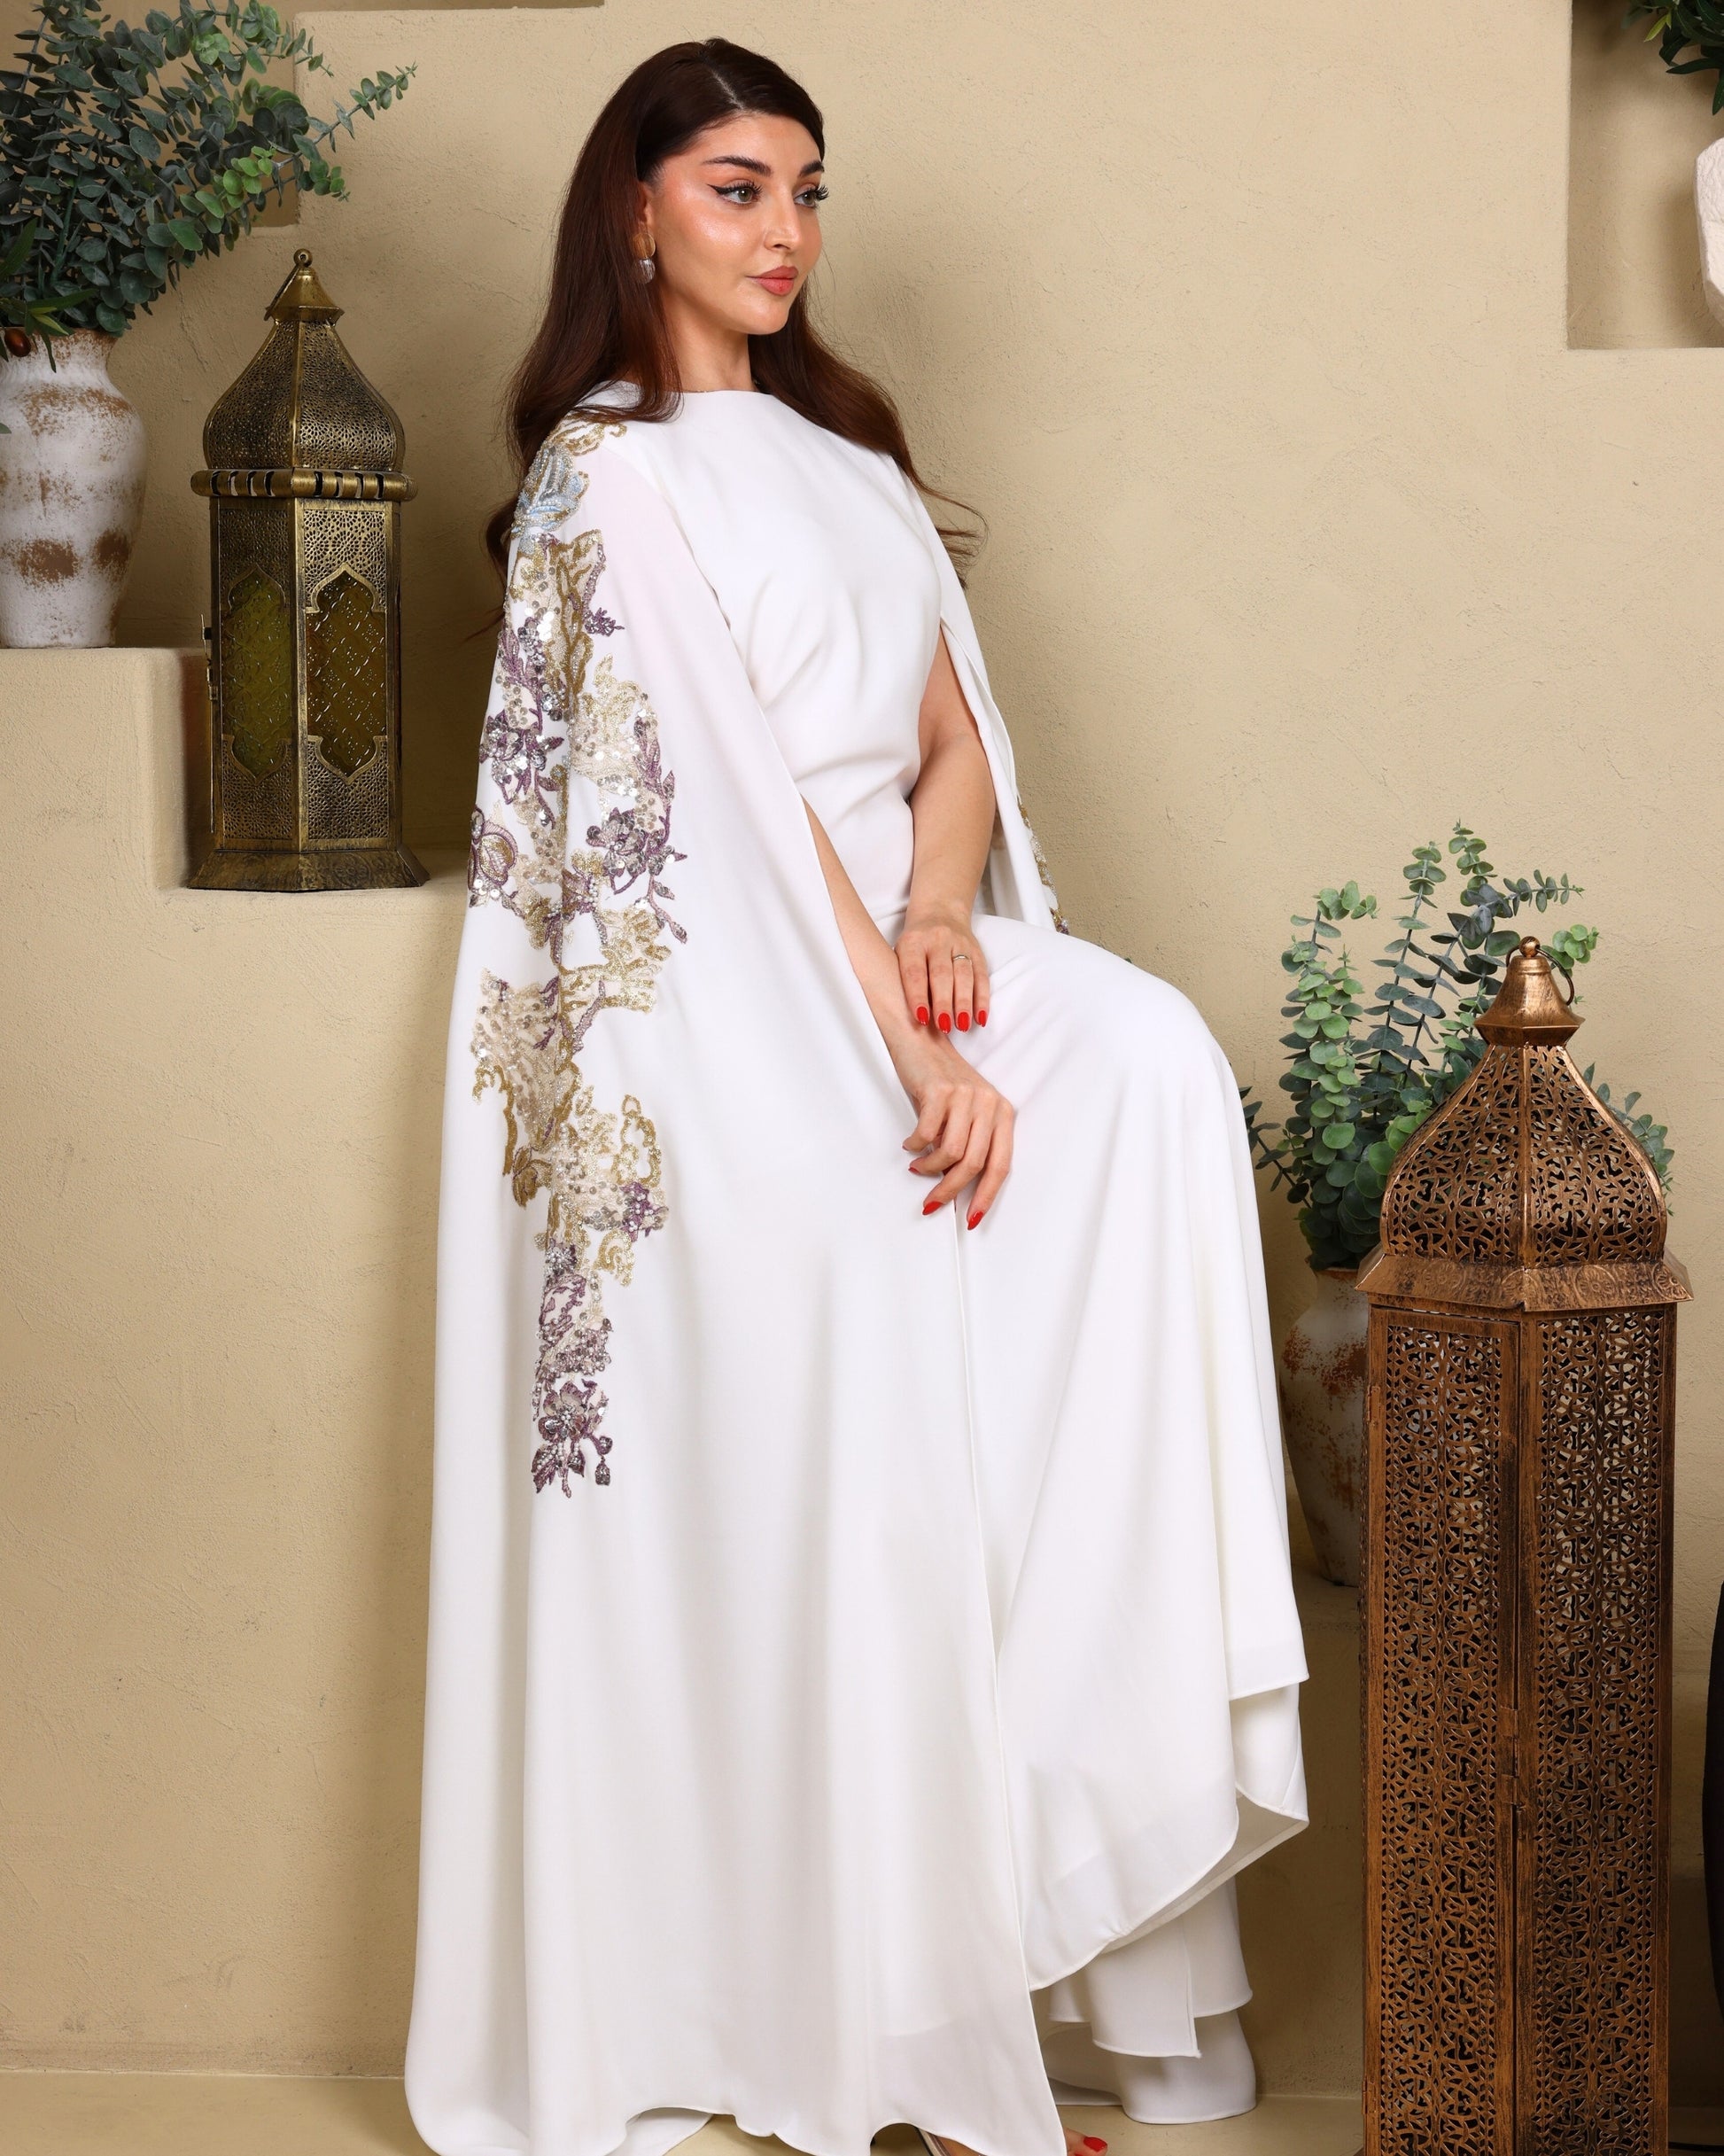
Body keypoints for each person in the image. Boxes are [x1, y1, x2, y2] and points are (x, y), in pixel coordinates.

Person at [404, 38, 1309, 2156]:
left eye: (806, 189)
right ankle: (877, 2005)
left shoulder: (855, 465)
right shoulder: (605, 477)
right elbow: (703, 799)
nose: (784, 231)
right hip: (712, 995)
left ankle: (1097, 1830)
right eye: (734, 189)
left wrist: (937, 922)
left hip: (881, 937)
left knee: (1154, 1065)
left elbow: (950, 727)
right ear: (633, 209)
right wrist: (888, 1033)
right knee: (886, 1246)